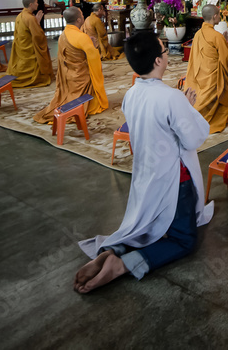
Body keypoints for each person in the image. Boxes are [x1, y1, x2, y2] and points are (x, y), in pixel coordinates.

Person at [74, 32, 212, 293]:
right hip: (174, 181)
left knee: (145, 226)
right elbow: (192, 139)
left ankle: (112, 251)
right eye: (163, 50)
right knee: (184, 240)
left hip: (146, 176)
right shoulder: (172, 98)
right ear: (159, 61)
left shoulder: (131, 94)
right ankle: (122, 265)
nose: (165, 54)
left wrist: (182, 105)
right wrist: (188, 106)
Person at [33, 7, 109, 124]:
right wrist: (94, 46)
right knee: (93, 77)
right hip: (81, 76)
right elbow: (94, 60)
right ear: (78, 20)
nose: (84, 17)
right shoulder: (81, 37)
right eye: (82, 15)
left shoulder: (63, 35)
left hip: (67, 74)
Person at [185, 5, 228, 133]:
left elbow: (194, 56)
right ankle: (203, 117)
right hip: (213, 76)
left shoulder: (198, 34)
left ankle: (192, 114)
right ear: (215, 16)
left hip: (200, 74)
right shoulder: (217, 36)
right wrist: (225, 42)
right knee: (219, 91)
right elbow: (226, 58)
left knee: (204, 95)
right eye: (219, 14)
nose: (220, 16)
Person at [6, 0, 53, 88]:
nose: (37, 4)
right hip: (30, 47)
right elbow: (38, 36)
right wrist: (37, 24)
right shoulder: (30, 18)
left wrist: (36, 22)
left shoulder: (20, 15)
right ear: (31, 4)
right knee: (38, 66)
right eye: (36, 2)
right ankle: (31, 77)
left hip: (22, 46)